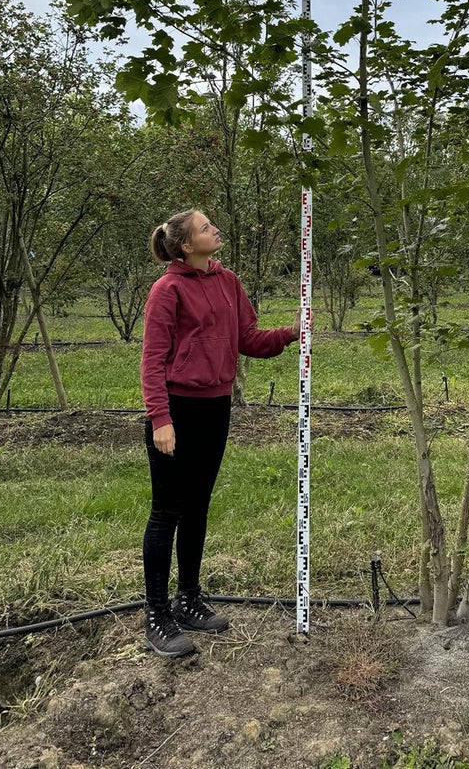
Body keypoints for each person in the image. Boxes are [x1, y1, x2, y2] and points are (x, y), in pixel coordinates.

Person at [140, 209, 300, 657]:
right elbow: (152, 360)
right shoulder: (166, 290)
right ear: (187, 245)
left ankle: (188, 600)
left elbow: (248, 338)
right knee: (166, 512)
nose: (215, 230)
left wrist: (290, 333)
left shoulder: (229, 282)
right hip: (177, 410)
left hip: (215, 407)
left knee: (197, 507)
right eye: (206, 227)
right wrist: (160, 419)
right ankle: (156, 614)